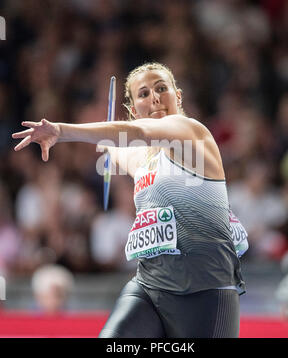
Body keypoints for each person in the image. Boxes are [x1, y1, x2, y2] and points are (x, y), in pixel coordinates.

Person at [12, 62, 248, 338]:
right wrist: (106, 144)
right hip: (150, 286)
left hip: (206, 290)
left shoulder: (192, 132)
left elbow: (138, 134)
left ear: (178, 97)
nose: (155, 97)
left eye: (162, 88)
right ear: (134, 110)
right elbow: (125, 146)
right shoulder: (143, 160)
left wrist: (61, 131)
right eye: (144, 93)